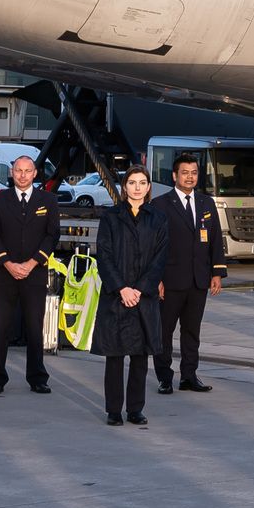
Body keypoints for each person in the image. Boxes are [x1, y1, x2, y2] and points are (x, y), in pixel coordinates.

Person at [0, 154, 59, 396]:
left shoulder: (48, 200)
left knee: (34, 327)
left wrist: (32, 263)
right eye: (18, 170)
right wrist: (8, 264)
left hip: (35, 273)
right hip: (5, 274)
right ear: (12, 173)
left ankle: (37, 378)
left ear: (35, 173)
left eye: (27, 171)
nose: (23, 175)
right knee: (1, 327)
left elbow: (52, 235)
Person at [95, 167, 167, 427]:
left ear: (148, 187)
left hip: (143, 297)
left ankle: (135, 409)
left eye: (142, 183)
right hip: (117, 296)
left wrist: (140, 289)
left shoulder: (158, 218)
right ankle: (114, 410)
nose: (137, 188)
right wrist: (121, 288)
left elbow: (160, 258)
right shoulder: (110, 217)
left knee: (140, 355)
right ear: (124, 187)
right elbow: (104, 255)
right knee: (114, 356)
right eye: (132, 182)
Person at [151, 153, 226, 396]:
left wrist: (217, 272)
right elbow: (153, 246)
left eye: (194, 173)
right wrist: (156, 279)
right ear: (175, 176)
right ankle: (164, 377)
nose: (190, 177)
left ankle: (189, 376)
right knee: (164, 331)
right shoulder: (161, 204)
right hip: (170, 280)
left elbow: (215, 240)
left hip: (198, 279)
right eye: (185, 173)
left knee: (192, 331)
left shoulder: (206, 203)